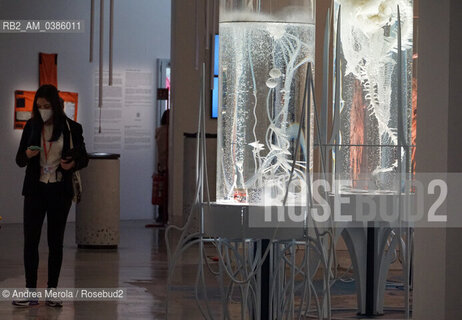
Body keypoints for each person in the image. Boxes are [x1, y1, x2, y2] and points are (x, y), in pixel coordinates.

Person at [13, 84, 89, 307]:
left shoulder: (71, 127)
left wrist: (72, 163)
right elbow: (19, 159)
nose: (43, 110)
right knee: (31, 241)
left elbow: (84, 157)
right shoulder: (31, 126)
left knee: (55, 242)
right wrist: (27, 154)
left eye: (47, 106)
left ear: (56, 105)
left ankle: (52, 291)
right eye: (39, 106)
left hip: (59, 190)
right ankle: (30, 292)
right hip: (35, 190)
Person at [154, 109, 169, 224]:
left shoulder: (159, 131)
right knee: (165, 191)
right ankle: (164, 215)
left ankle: (161, 215)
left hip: (161, 164)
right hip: (165, 164)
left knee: (161, 190)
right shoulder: (168, 131)